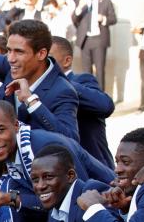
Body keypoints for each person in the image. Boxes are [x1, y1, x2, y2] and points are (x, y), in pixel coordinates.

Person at [0, 19, 80, 141]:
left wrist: (31, 101)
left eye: (19, 52)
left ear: (41, 54)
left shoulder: (62, 90)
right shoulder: (8, 65)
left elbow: (70, 139)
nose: (10, 58)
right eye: (9, 50)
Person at [49, 36, 115, 167]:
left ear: (67, 61)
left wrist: (60, 83)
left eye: (49, 58)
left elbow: (105, 105)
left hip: (95, 172)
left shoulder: (82, 80)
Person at [72, 0, 117, 91]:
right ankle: (89, 97)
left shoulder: (105, 1)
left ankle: (100, 97)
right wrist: (79, 8)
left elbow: (113, 19)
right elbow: (74, 20)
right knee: (86, 72)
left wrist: (103, 18)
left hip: (99, 39)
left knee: (100, 69)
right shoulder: (80, 1)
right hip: (85, 39)